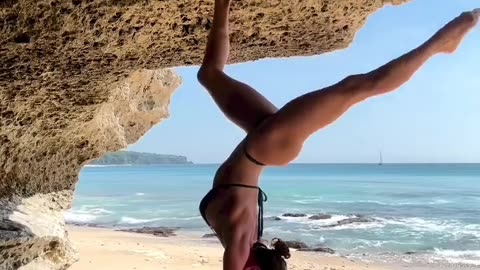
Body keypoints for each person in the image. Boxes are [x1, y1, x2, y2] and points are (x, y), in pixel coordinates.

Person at [197, 0, 480, 268]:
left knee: (208, 74)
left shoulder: (242, 242)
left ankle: (222, 5)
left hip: (263, 142)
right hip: (267, 145)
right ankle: (444, 40)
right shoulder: (240, 244)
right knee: (356, 88)